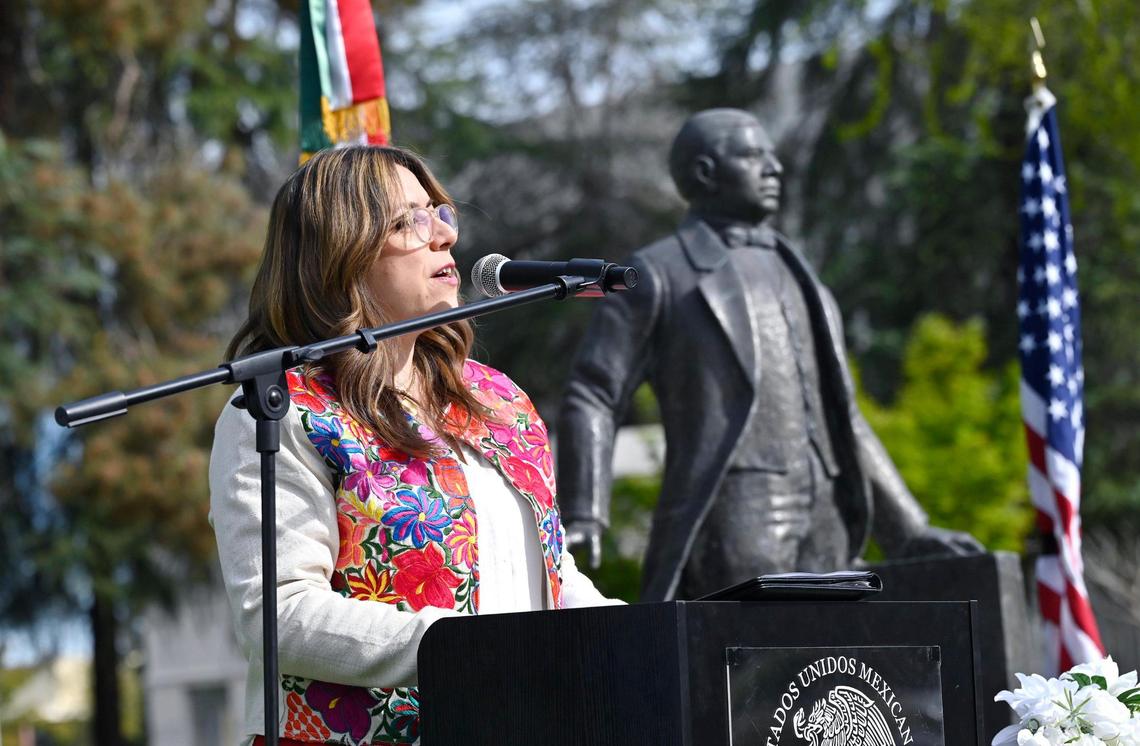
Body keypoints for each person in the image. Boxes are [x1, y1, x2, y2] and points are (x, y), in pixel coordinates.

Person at [209, 145, 618, 746]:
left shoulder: (498, 400)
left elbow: (549, 576)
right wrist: (462, 648)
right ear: (340, 253)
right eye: (407, 222)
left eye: (439, 213)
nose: (443, 238)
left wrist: (647, 637)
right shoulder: (281, 407)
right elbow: (277, 614)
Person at [557, 108, 982, 602]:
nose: (774, 169)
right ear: (705, 172)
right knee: (750, 669)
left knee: (837, 670)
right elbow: (594, 391)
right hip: (736, 507)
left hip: (829, 507)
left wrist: (907, 529)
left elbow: (843, 415)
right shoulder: (658, 273)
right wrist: (585, 511)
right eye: (755, 156)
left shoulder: (802, 274)